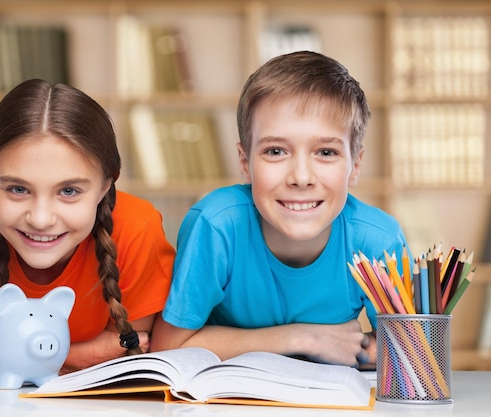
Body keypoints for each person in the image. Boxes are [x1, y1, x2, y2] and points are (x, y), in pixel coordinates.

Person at [150, 51, 410, 368]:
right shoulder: (217, 225)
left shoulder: (377, 241)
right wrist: (302, 338)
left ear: (354, 166)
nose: (301, 177)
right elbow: (167, 348)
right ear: (245, 162)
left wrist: (364, 349)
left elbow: (411, 353)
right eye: (276, 151)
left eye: (326, 152)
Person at [0, 79, 175, 375]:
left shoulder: (137, 227)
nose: (40, 218)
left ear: (105, 186)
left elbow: (131, 351)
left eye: (69, 191)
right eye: (18, 190)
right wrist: (81, 356)